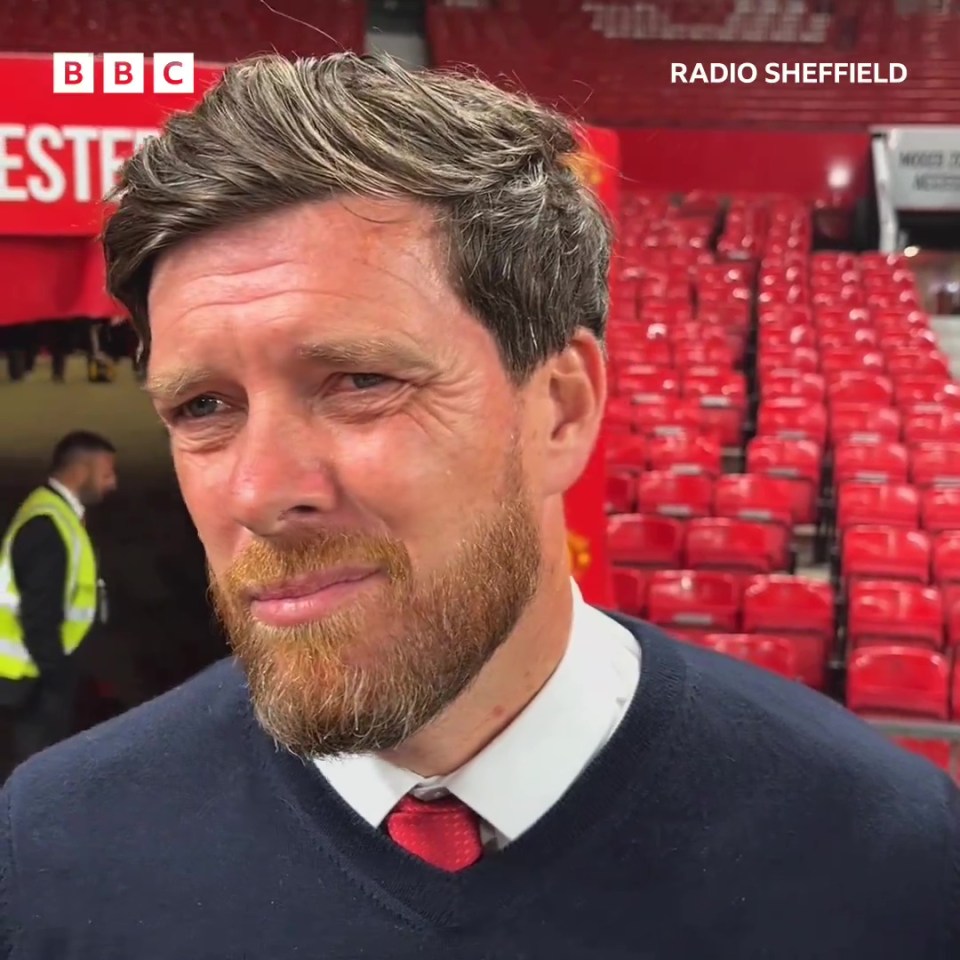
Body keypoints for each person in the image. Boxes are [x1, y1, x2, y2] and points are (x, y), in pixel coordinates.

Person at [0, 54, 956, 957]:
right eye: (203, 408)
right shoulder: (52, 852)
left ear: (561, 409)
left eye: (359, 380)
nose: (257, 492)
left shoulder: (886, 861)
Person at [0, 431, 116, 773]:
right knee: (33, 775)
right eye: (107, 473)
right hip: (28, 683)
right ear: (81, 472)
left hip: (31, 675)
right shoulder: (48, 525)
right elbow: (39, 615)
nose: (113, 484)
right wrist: (58, 679)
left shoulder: (54, 511)